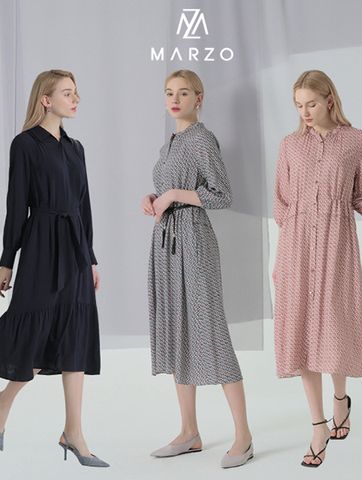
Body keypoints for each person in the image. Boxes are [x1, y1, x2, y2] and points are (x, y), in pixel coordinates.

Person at [272, 69, 362, 468]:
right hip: (296, 249)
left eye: (311, 104)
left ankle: (341, 399)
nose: (305, 112)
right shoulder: (290, 145)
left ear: (329, 100)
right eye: (298, 106)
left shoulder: (356, 140)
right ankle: (318, 425)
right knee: (302, 333)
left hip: (337, 246)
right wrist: (282, 260)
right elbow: (282, 206)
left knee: (334, 328)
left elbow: (361, 197)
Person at [0, 69, 109, 468]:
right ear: (46, 99)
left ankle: (74, 431)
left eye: (76, 92)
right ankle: (3, 402)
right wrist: (8, 259)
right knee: (36, 334)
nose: (76, 99)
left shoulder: (76, 149)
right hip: (40, 245)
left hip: (74, 250)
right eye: (67, 93)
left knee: (74, 335)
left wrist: (90, 257)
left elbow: (84, 207)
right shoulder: (25, 145)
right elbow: (16, 205)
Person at [141, 69, 253, 469]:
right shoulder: (170, 142)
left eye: (183, 93)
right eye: (169, 92)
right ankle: (189, 432)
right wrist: (155, 198)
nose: (175, 99)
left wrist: (174, 194)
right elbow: (172, 191)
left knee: (210, 332)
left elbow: (222, 195)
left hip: (194, 241)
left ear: (198, 98)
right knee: (177, 330)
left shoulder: (202, 139)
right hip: (166, 242)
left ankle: (243, 436)